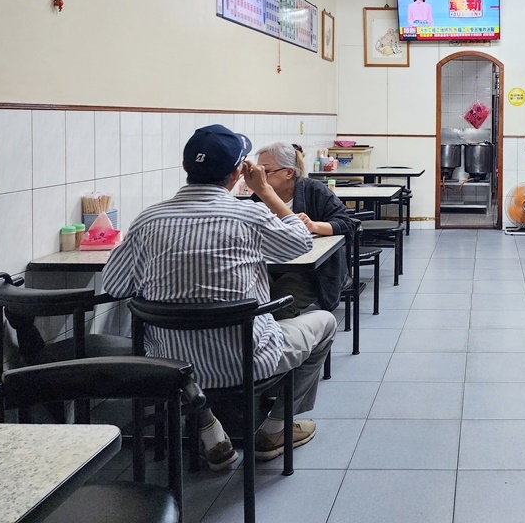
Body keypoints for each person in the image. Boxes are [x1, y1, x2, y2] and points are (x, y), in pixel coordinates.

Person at [102, 125, 337, 471]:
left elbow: (115, 285)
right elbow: (300, 244)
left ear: (185, 169)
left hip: (171, 367)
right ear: (236, 174)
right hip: (246, 360)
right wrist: (266, 193)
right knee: (326, 322)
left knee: (188, 348)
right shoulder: (250, 215)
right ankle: (273, 429)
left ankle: (209, 427)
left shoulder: (147, 220)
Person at [254, 141, 357, 319]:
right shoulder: (258, 197)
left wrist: (314, 226)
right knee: (256, 301)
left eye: (266, 171)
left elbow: (347, 226)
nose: (260, 177)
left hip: (311, 271)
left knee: (279, 303)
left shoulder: (314, 190)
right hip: (272, 265)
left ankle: (277, 341)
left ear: (288, 172)